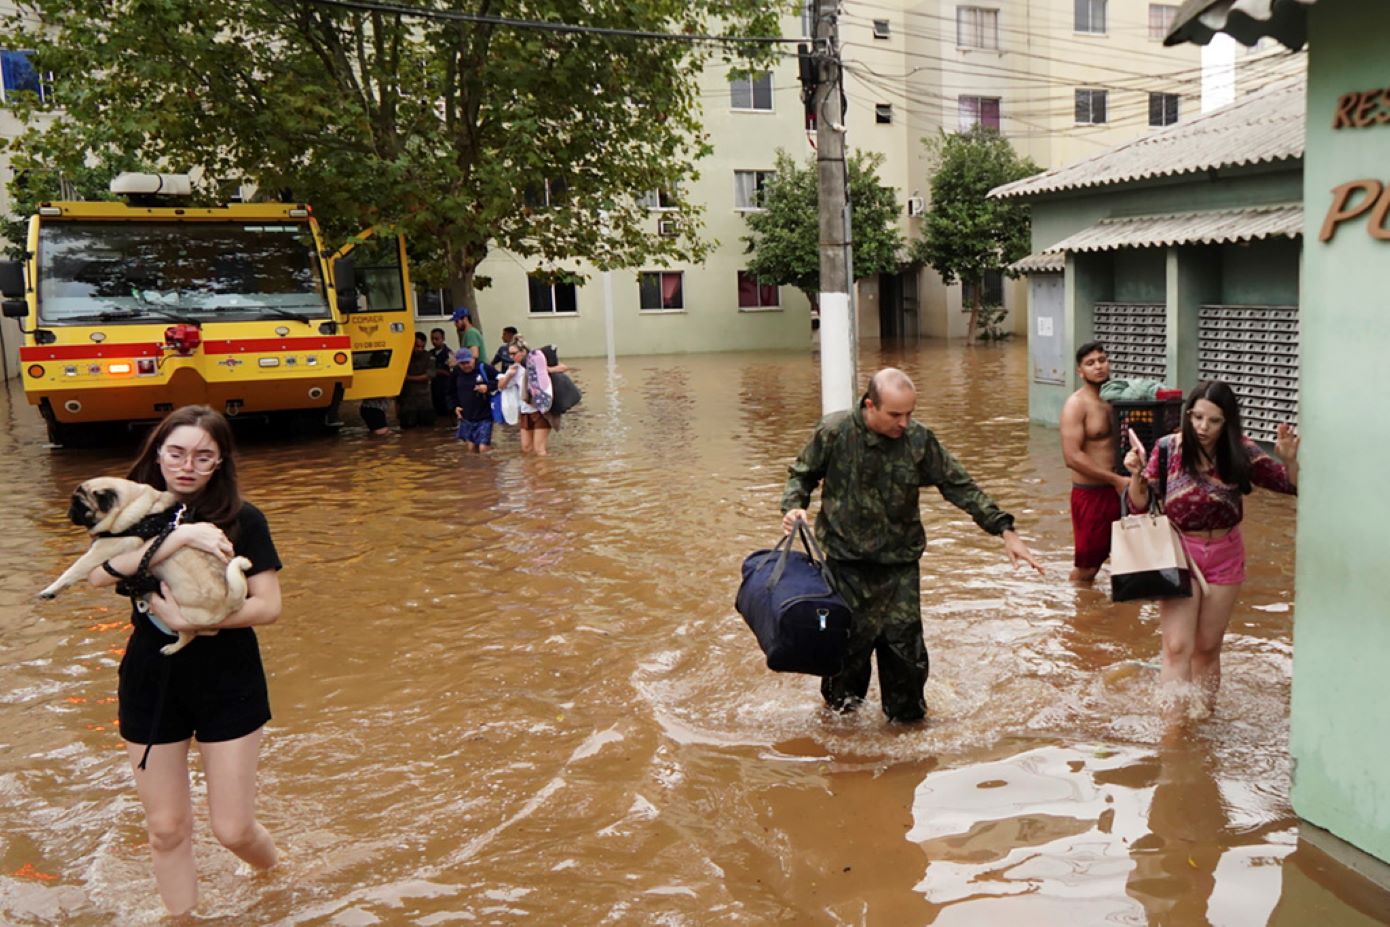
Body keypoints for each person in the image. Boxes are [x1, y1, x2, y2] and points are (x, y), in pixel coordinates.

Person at [84, 405, 282, 916]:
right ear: (158, 453)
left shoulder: (244, 518)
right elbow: (97, 576)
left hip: (228, 678)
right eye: (176, 452)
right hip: (151, 679)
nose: (187, 465)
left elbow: (268, 605)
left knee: (232, 829)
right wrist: (182, 537)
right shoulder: (128, 513)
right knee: (166, 828)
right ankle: (184, 920)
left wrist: (198, 623)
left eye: (203, 456)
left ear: (220, 462)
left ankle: (277, 879)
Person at [781, 368, 1044, 722]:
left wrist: (1005, 530)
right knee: (844, 671)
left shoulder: (918, 440)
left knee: (907, 665)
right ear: (869, 405)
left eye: (909, 413)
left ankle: (908, 748)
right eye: (894, 415)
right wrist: (794, 506)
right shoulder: (835, 432)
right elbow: (802, 474)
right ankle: (841, 755)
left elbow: (959, 485)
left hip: (900, 572)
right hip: (845, 570)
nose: (903, 423)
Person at [1124, 380, 1298, 715]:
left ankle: (1204, 718)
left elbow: (1291, 486)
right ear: (1188, 415)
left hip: (1225, 553)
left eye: (1213, 421)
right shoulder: (1167, 449)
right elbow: (1139, 507)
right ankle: (1174, 729)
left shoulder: (1241, 451)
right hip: (1178, 551)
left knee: (1206, 648)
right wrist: (1135, 475)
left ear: (1227, 423)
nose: (1202, 427)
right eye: (1197, 417)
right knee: (1176, 647)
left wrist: (1289, 460)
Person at [1060, 341, 1129, 583]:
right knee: (1087, 569)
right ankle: (1079, 613)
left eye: (1102, 360)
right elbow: (1072, 457)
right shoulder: (1076, 405)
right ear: (1080, 371)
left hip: (1124, 490)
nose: (1098, 366)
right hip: (1092, 495)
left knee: (1132, 562)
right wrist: (1114, 479)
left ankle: (1121, 617)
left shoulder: (1119, 400)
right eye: (1090, 363)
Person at [498, 336, 552, 456]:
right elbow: (500, 386)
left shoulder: (537, 363)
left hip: (540, 411)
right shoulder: (514, 368)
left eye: (514, 353)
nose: (511, 357)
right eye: (510, 354)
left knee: (539, 449)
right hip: (525, 412)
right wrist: (508, 376)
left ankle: (546, 473)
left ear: (523, 351)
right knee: (526, 448)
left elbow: (558, 368)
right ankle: (531, 473)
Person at [447, 348, 497, 453]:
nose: (466, 366)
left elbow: (501, 380)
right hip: (467, 417)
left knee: (483, 448)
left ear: (473, 359)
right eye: (462, 363)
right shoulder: (456, 372)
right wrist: (455, 407)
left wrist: (487, 387)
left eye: (468, 362)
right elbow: (450, 393)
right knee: (471, 449)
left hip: (484, 416)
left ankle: (489, 466)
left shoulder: (483, 368)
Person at [398, 331, 436, 428]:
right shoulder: (403, 357)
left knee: (428, 430)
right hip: (407, 402)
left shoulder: (429, 357)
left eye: (422, 347)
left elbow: (429, 375)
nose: (419, 349)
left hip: (425, 401)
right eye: (417, 346)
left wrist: (408, 378)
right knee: (408, 431)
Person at [429, 327, 453, 418]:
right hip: (434, 388)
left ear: (443, 339)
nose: (434, 341)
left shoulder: (449, 354)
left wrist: (437, 371)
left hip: (446, 388)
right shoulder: (430, 353)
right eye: (432, 339)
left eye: (437, 339)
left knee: (447, 414)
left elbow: (450, 372)